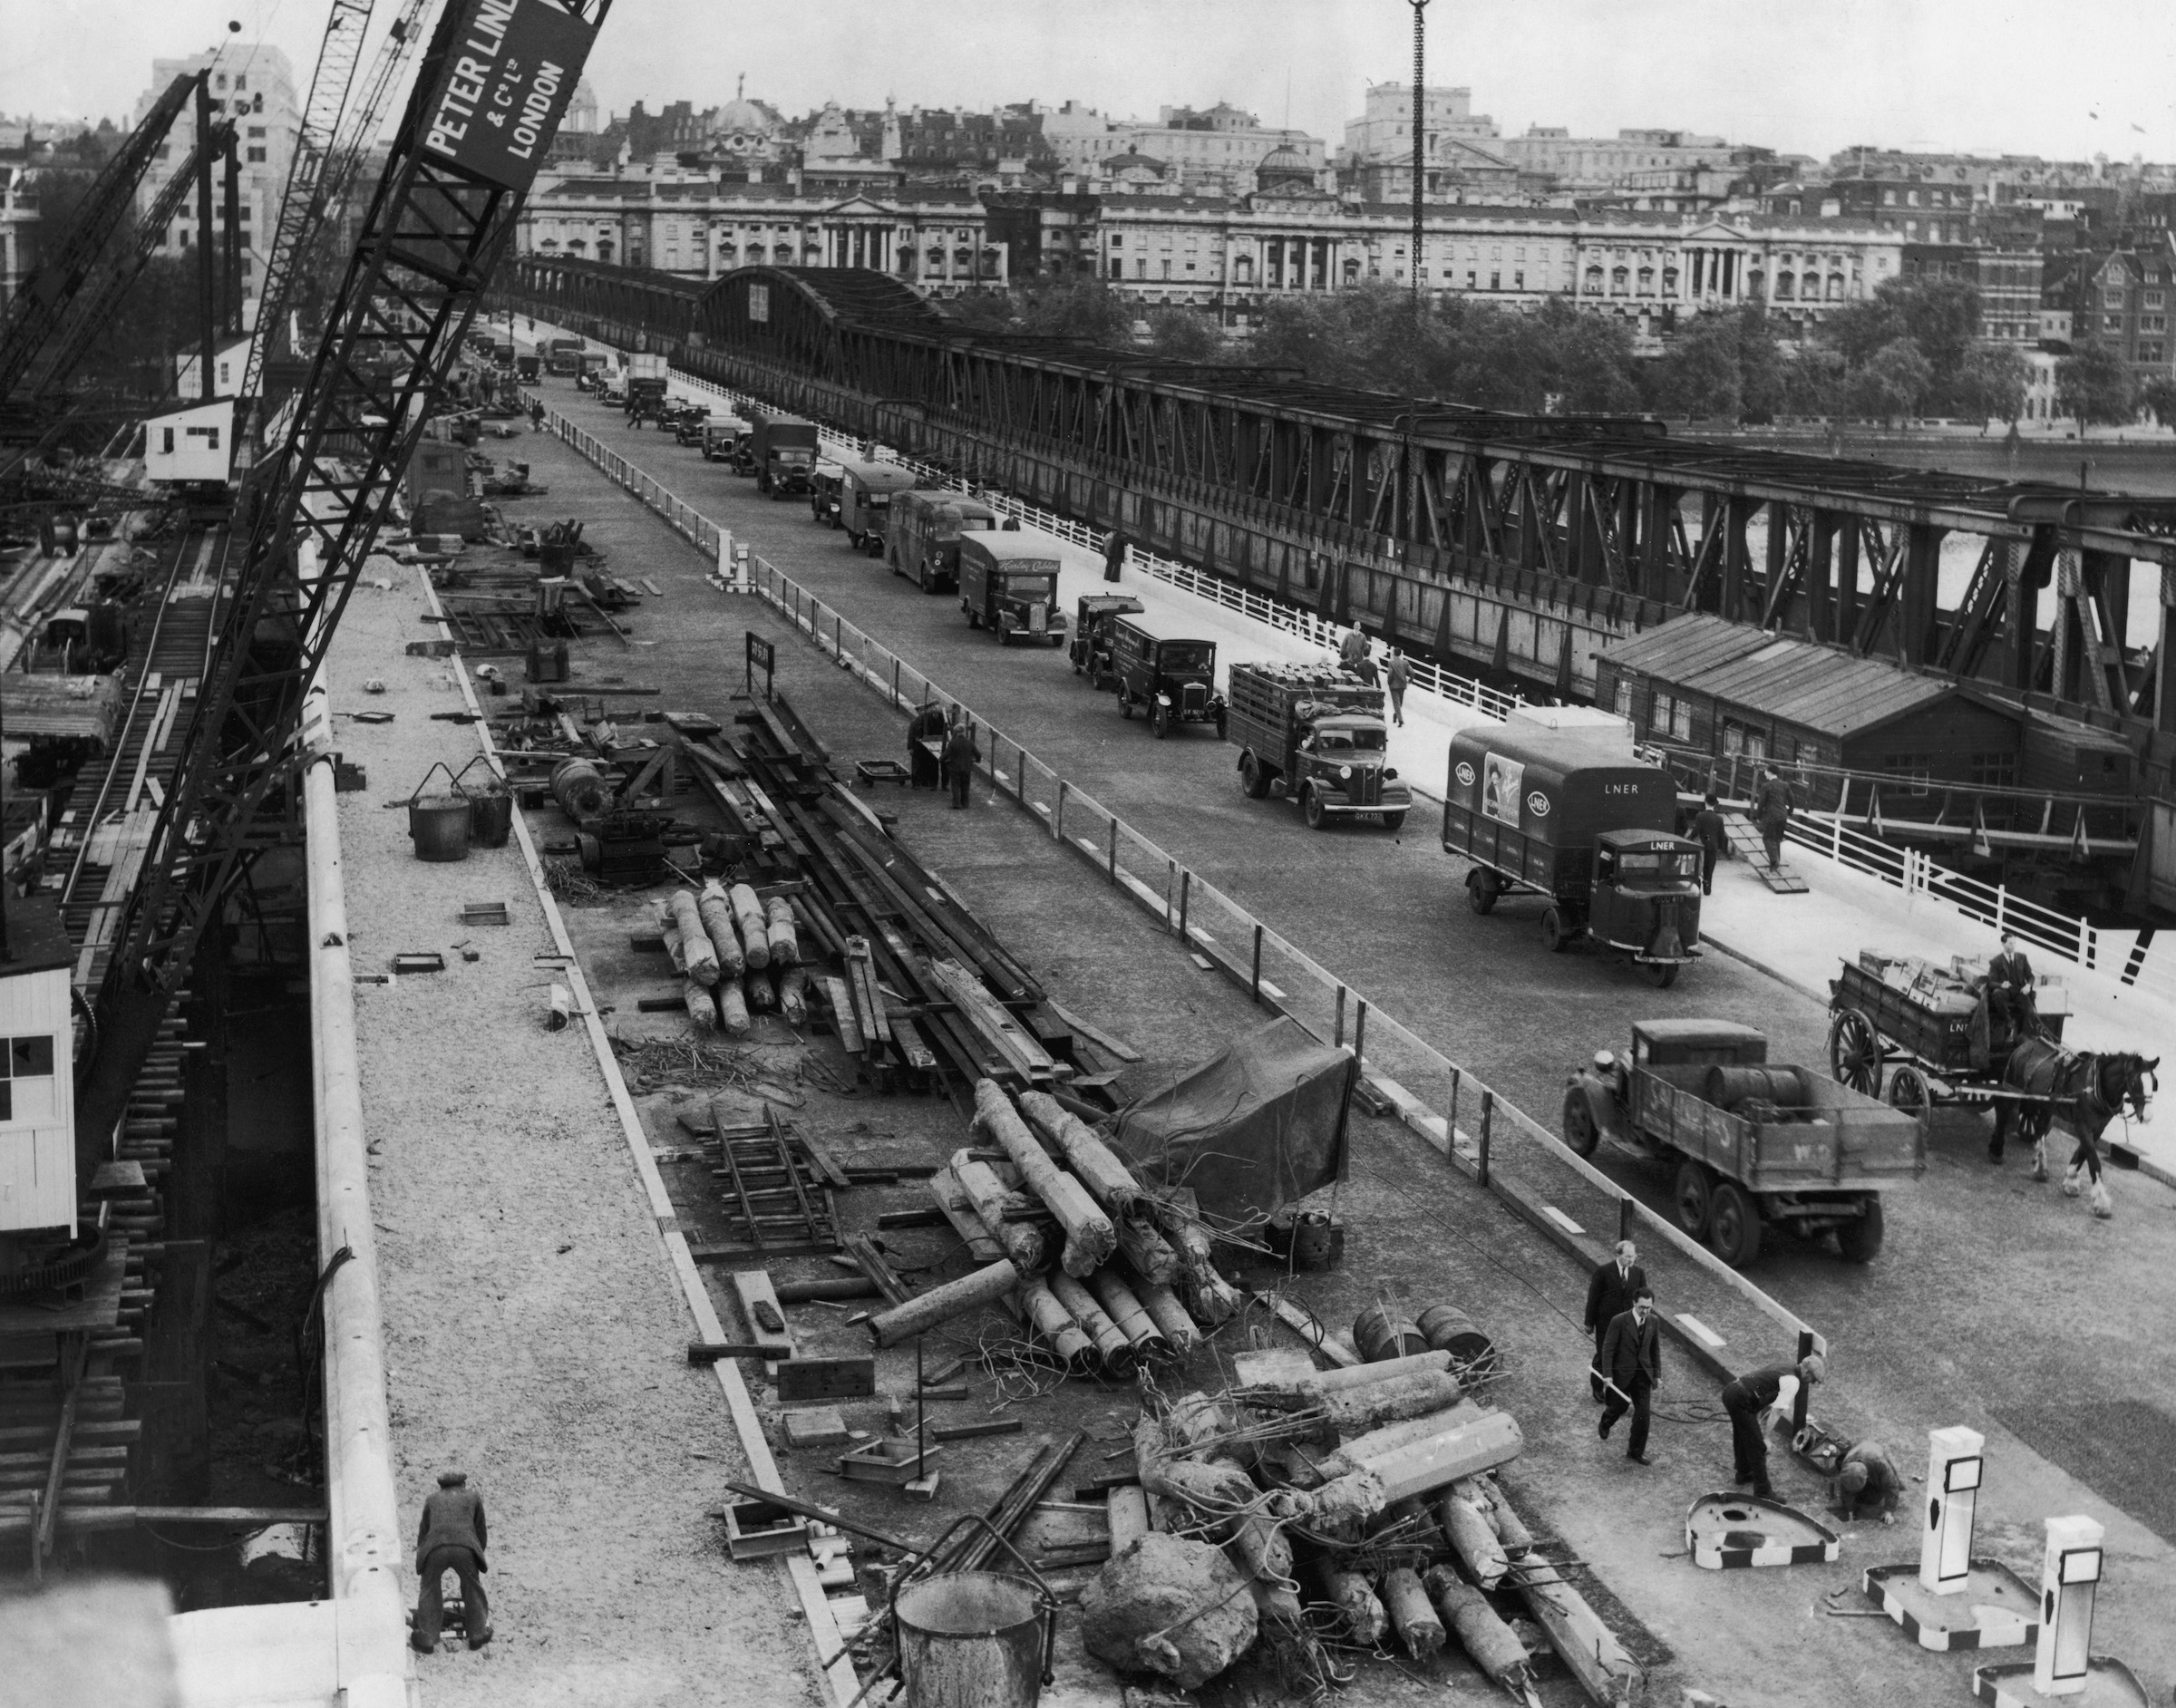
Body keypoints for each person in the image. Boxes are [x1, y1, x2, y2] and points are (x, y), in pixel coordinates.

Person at [1718, 1354, 1824, 1501]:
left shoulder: (1785, 1366)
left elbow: (1763, 1393)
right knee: (1758, 1447)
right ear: (1807, 1372)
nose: (1811, 1383)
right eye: (1812, 1379)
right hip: (1742, 1399)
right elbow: (1776, 1411)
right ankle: (1763, 1492)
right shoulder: (1793, 1382)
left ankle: (1743, 1472)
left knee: (1742, 1434)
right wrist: (1766, 1438)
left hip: (1732, 1391)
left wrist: (1757, 1422)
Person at [413, 1470, 490, 1653]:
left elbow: (423, 1531)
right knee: (472, 1586)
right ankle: (477, 1636)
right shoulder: (473, 1497)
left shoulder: (432, 1499)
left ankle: (427, 1640)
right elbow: (480, 1530)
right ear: (463, 1484)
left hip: (435, 1548)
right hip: (465, 1548)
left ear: (441, 1487)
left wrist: (423, 1556)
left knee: (429, 1588)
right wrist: (477, 1555)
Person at [1597, 1287, 1662, 1465]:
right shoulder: (1619, 1321)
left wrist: (1657, 1374)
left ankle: (1635, 1451)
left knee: (1643, 1416)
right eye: (1642, 1307)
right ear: (1634, 1303)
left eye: (1649, 1307)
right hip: (1622, 1375)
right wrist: (1608, 1374)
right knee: (1619, 1407)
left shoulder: (1653, 1321)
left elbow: (1654, 1349)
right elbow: (1608, 1348)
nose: (1645, 1311)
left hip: (1643, 1376)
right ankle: (1606, 1421)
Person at [1583, 1240, 1646, 1403]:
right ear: (1618, 1255)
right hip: (1606, 1323)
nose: (1631, 1260)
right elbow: (1593, 1298)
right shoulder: (1603, 1272)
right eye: (1627, 1257)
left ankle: (1619, 1391)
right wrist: (1589, 1322)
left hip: (1628, 1324)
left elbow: (1643, 1299)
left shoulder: (1638, 1273)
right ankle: (1597, 1387)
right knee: (1604, 1355)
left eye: (1633, 1256)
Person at [1830, 1439, 1902, 1524]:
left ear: (1866, 1477)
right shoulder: (1847, 1466)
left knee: (1873, 1499)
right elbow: (1846, 1492)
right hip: (1858, 1451)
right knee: (1857, 1497)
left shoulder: (1880, 1465)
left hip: (1874, 1451)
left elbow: (1892, 1486)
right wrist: (1850, 1514)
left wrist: (1889, 1512)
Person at [1987, 930, 2038, 1040]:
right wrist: (2001, 985)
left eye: (2014, 943)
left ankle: (2026, 1035)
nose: (2013, 946)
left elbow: (2030, 976)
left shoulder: (2022, 958)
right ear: (2003, 944)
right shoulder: (1996, 961)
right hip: (2005, 992)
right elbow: (1990, 982)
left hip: (2019, 991)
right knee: (1996, 994)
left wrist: (2028, 986)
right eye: (2010, 943)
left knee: (2029, 1012)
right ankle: (2007, 1020)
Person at [1754, 768, 1794, 871]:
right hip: (1783, 816)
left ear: (1770, 772)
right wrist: (1789, 812)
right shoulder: (1785, 785)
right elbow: (1792, 800)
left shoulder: (1766, 786)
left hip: (1772, 816)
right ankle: (1777, 862)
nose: (1764, 774)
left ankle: (1774, 861)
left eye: (1765, 771)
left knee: (1767, 838)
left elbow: (1761, 803)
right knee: (1777, 839)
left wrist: (1758, 816)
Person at [1691, 792, 1729, 896]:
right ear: (1715, 804)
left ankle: (1697, 884)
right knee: (1709, 867)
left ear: (1705, 802)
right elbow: (1721, 835)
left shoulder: (1700, 816)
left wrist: (1690, 839)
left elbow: (1696, 830)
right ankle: (1707, 887)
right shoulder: (1719, 819)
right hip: (1713, 846)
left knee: (1698, 866)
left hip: (1701, 845)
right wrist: (1721, 848)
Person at [942, 713, 981, 810]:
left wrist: (941, 760)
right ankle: (965, 804)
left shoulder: (952, 743)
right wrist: (977, 760)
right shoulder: (970, 743)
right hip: (967, 767)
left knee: (955, 786)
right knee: (965, 786)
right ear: (964, 731)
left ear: (956, 732)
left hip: (955, 768)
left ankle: (956, 804)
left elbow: (945, 755)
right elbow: (978, 755)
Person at [907, 702, 947, 790]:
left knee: (930, 765)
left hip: (929, 746)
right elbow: (911, 735)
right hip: (918, 747)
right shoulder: (915, 722)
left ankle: (929, 783)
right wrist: (910, 747)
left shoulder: (930, 719)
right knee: (917, 765)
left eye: (924, 710)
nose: (923, 712)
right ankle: (916, 783)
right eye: (921, 711)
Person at [1384, 648, 1409, 726]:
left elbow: (1390, 674)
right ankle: (1400, 719)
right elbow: (1412, 672)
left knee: (1397, 703)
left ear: (1394, 654)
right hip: (1402, 685)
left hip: (1394, 685)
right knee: (1400, 702)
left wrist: (1389, 682)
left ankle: (1397, 715)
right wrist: (1410, 680)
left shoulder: (1391, 663)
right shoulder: (1405, 662)